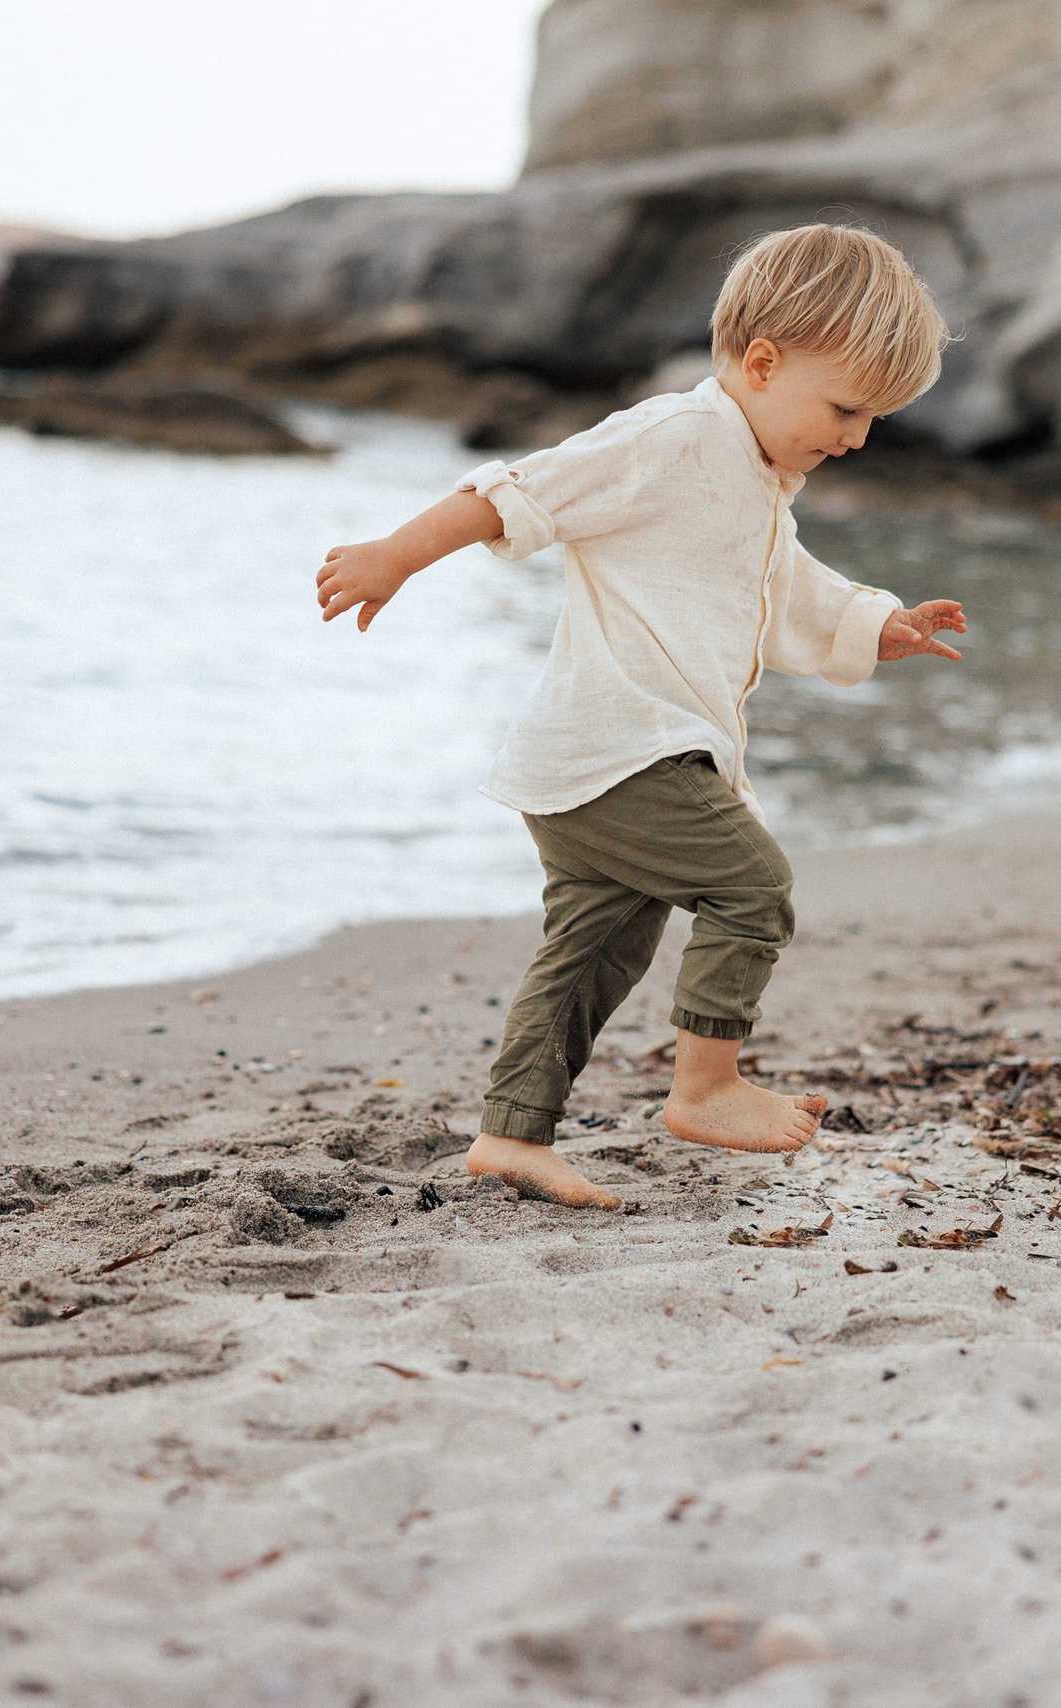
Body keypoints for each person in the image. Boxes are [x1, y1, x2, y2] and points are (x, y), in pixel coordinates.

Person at [314, 224, 965, 1209]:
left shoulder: (753, 479)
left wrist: (878, 624)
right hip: (624, 748)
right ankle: (705, 1088)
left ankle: (511, 1135)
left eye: (872, 419)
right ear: (762, 363)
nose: (856, 438)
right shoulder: (673, 438)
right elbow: (520, 491)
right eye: (845, 408)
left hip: (596, 763)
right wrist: (394, 556)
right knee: (754, 889)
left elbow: (785, 587)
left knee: (592, 955)